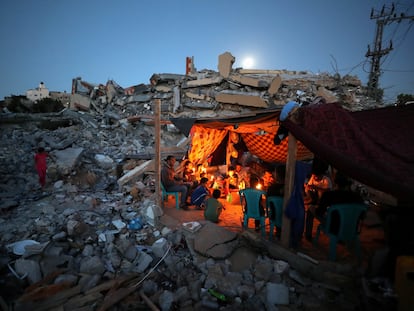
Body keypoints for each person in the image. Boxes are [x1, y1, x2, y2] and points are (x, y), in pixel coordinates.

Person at [304, 164, 333, 241]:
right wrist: (308, 187)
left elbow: (328, 192)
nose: (315, 178)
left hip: (324, 204)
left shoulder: (326, 180)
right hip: (316, 198)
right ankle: (311, 201)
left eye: (317, 176)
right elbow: (309, 186)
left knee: (310, 211)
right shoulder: (313, 177)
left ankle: (308, 235)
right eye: (314, 176)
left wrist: (316, 188)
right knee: (309, 190)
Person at [266, 165, 286, 239]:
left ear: (277, 175)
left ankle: (278, 231)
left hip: (274, 216)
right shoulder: (289, 188)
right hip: (286, 216)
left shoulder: (271, 188)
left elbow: (267, 202)